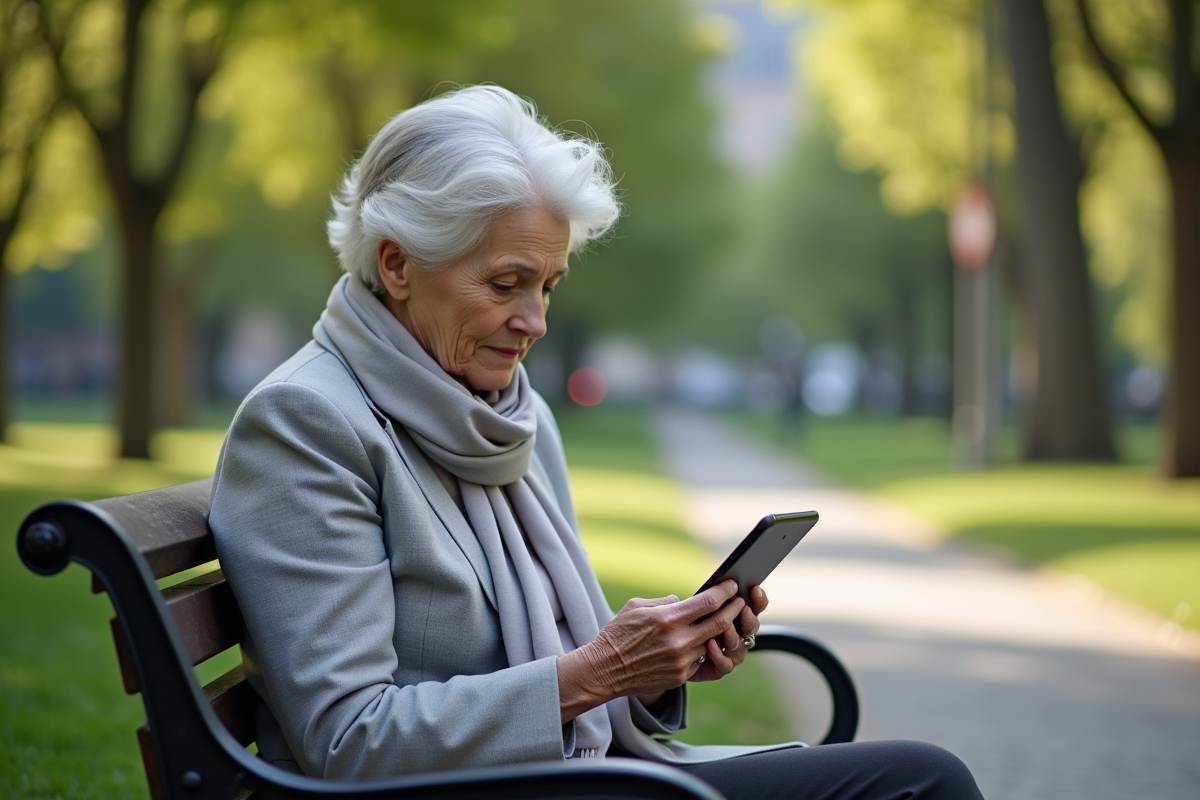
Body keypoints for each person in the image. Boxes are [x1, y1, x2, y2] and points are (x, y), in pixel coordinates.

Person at [209, 85, 984, 800]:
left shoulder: (513, 416)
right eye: (505, 283)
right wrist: (599, 670)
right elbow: (349, 740)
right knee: (921, 785)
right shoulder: (307, 423)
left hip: (565, 778)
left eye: (548, 286)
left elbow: (559, 671)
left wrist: (655, 667)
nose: (535, 321)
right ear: (397, 263)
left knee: (920, 779)